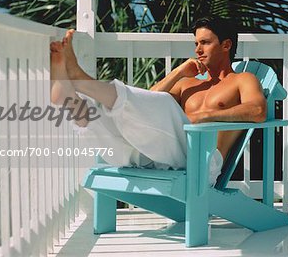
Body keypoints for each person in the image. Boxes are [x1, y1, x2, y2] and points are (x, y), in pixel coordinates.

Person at [50, 16, 267, 185]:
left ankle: (80, 80)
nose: (198, 50)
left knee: (163, 103)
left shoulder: (242, 79)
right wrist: (178, 72)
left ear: (226, 45)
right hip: (163, 158)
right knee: (111, 123)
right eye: (196, 43)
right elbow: (145, 104)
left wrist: (206, 116)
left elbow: (257, 110)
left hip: (202, 162)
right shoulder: (188, 83)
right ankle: (68, 97)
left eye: (205, 43)